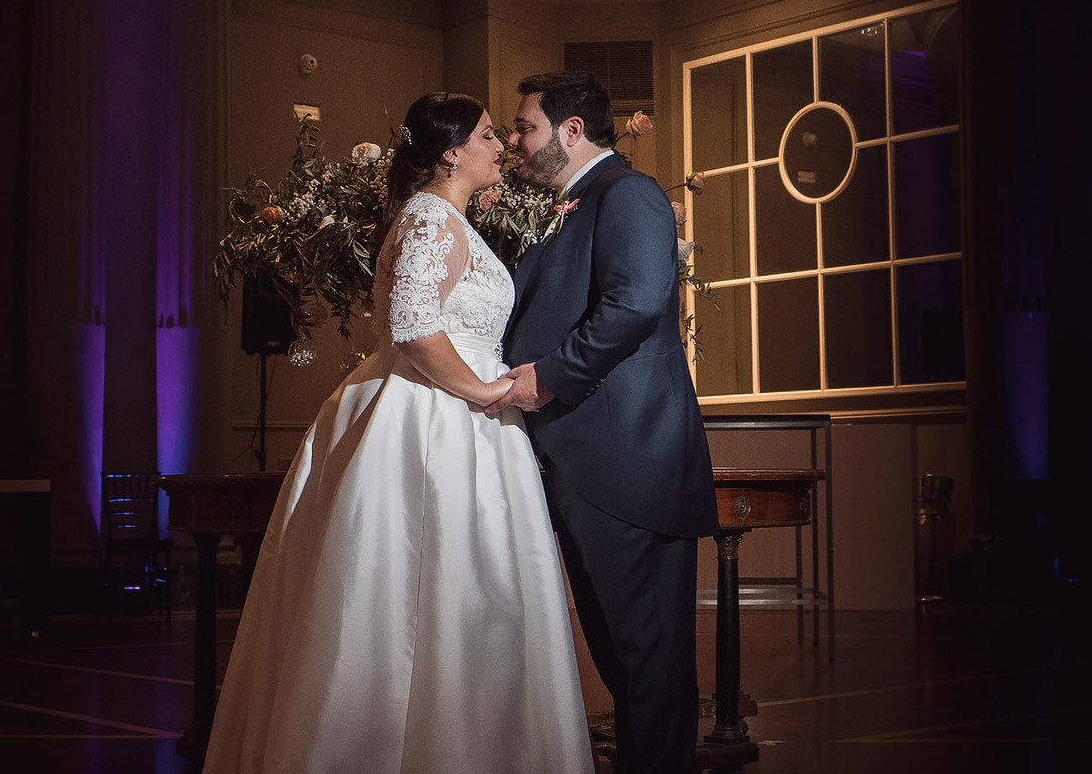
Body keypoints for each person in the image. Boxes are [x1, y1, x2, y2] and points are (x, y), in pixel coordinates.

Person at [202, 93, 595, 774]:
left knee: (461, 595)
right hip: (436, 421)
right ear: (449, 150)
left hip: (450, 414)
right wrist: (483, 390)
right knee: (427, 585)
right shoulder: (430, 218)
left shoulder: (443, 219)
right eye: (484, 134)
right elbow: (414, 325)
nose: (499, 143)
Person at [492, 70, 718, 774]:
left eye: (524, 127)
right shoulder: (566, 203)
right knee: (627, 664)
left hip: (630, 465)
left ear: (571, 129)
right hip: (587, 466)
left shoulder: (630, 194)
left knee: (648, 666)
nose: (513, 140)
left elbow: (636, 303)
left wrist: (545, 378)